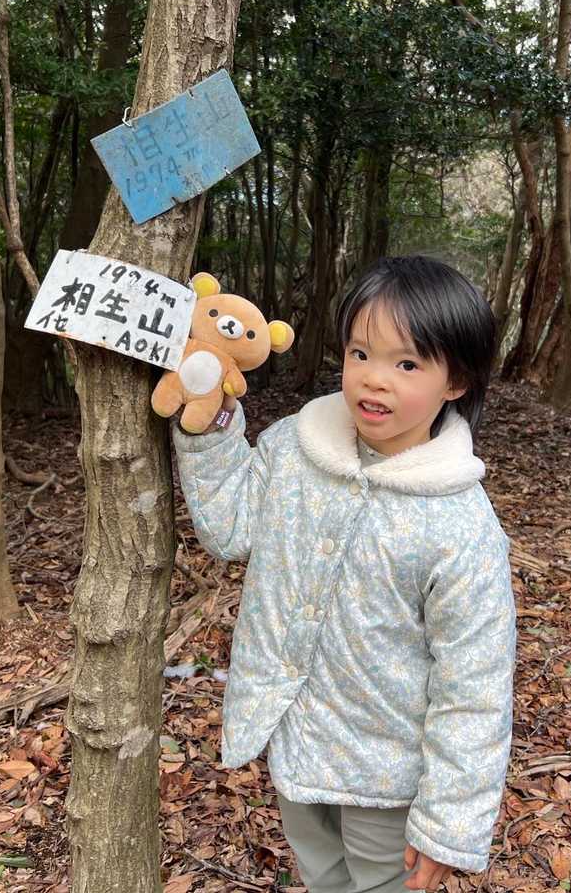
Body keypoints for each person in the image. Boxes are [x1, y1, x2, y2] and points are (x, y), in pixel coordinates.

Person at [171, 255, 517, 892]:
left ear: (457, 381)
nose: (373, 380)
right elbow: (230, 527)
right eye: (360, 354)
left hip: (388, 774)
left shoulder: (460, 526)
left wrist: (448, 824)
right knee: (322, 877)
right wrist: (211, 422)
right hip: (296, 739)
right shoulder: (297, 447)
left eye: (407, 364)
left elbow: (475, 684)